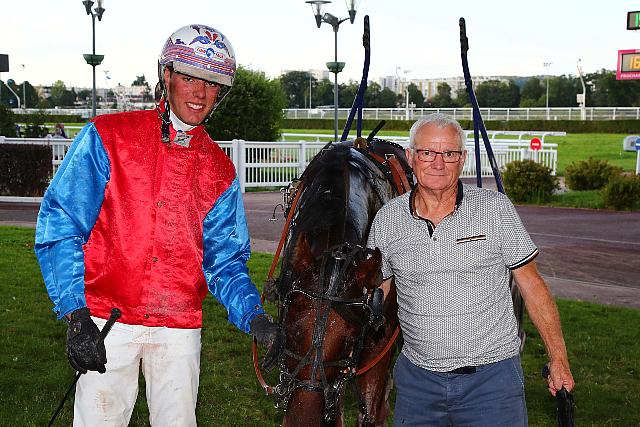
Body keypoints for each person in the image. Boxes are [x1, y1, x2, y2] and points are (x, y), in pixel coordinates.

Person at [35, 24, 277, 426]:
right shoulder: (107, 137)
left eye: (212, 83)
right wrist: (76, 314)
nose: (200, 93)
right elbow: (62, 224)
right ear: (166, 76)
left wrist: (256, 317)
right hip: (105, 319)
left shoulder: (220, 171)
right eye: (190, 78)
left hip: (177, 327)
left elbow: (225, 262)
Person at [367, 113, 574, 426]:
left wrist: (558, 358)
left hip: (492, 383)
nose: (438, 163)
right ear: (410, 157)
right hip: (418, 385)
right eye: (427, 152)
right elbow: (376, 293)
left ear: (462, 159)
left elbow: (532, 286)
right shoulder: (387, 219)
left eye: (449, 153)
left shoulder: (494, 209)